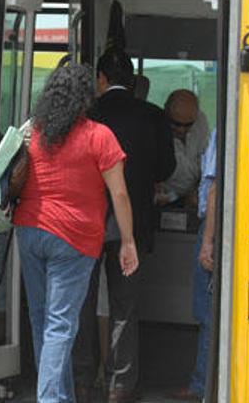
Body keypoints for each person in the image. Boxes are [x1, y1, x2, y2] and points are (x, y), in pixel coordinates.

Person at [12, 64, 139, 403]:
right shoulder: (99, 135)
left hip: (29, 229)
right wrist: (127, 241)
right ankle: (51, 398)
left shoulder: (35, 131)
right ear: (86, 96)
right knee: (60, 324)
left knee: (42, 320)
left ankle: (58, 395)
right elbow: (120, 194)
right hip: (75, 237)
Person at [73, 49, 175, 402]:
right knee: (125, 307)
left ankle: (83, 381)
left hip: (85, 224)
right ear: (131, 81)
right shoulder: (153, 116)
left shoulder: (86, 115)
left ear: (100, 79)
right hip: (132, 226)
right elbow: (166, 170)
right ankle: (121, 386)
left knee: (82, 304)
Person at [169, 129, 218, 401]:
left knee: (207, 313)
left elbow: (214, 189)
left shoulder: (224, 133)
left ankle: (201, 384)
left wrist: (207, 241)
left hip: (215, 229)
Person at [157, 89, 210, 208]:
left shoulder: (200, 121)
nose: (182, 130)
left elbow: (206, 158)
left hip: (195, 197)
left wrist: (198, 190)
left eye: (188, 125)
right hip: (165, 200)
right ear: (166, 113)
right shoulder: (156, 128)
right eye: (176, 124)